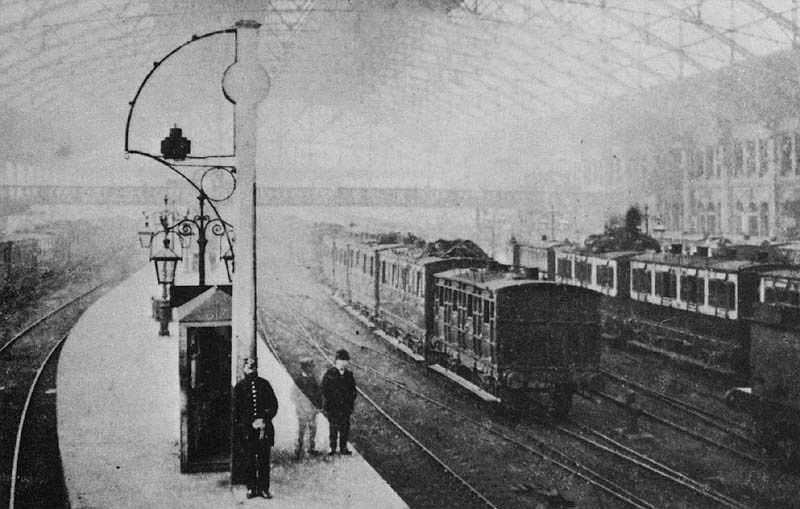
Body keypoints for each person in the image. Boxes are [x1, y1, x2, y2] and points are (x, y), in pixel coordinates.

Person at [234, 358, 278, 499]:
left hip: (264, 428)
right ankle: (251, 488)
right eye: (248, 368)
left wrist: (264, 419)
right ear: (244, 369)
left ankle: (264, 489)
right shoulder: (240, 387)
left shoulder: (264, 385)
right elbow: (237, 412)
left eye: (253, 368)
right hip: (248, 430)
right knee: (250, 459)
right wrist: (249, 423)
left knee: (264, 460)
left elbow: (273, 405)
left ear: (256, 369)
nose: (251, 371)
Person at [321, 349, 357, 455]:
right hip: (333, 407)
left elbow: (353, 391)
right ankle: (332, 447)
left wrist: (350, 402)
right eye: (341, 360)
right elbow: (324, 389)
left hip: (345, 407)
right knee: (333, 427)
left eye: (345, 361)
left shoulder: (349, 375)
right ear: (336, 361)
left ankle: (343, 447)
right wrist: (330, 402)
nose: (343, 363)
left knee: (344, 428)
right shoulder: (330, 373)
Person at [291, 358, 322, 459]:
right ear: (305, 368)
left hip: (312, 410)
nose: (312, 368)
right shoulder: (298, 380)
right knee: (301, 430)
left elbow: (318, 393)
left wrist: (318, 406)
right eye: (310, 366)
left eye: (312, 366)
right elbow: (293, 396)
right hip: (302, 410)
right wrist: (299, 407)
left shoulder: (312, 378)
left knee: (313, 429)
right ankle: (298, 450)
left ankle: (311, 449)